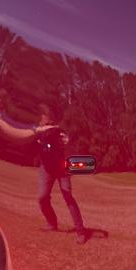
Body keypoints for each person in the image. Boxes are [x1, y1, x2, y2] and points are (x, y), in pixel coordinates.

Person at [35, 104, 88, 244]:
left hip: (62, 169)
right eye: (41, 117)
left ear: (49, 118)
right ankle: (52, 223)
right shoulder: (38, 131)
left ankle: (80, 231)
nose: (42, 119)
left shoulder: (59, 131)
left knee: (68, 196)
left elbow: (67, 143)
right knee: (42, 197)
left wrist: (66, 143)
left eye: (44, 117)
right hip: (46, 168)